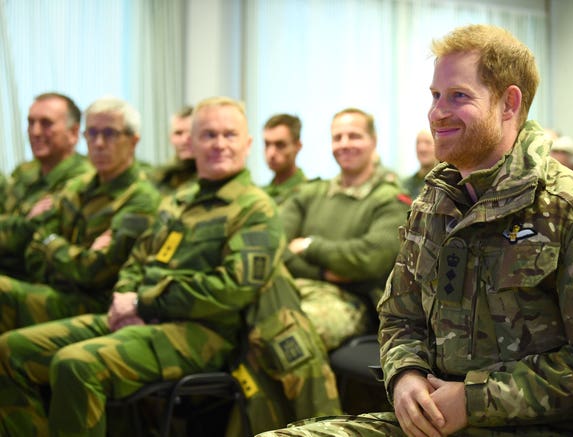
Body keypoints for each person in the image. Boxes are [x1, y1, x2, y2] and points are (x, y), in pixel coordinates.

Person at [258, 24, 573, 437]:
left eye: (458, 96)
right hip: (435, 423)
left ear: (508, 103)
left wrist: (474, 400)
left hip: (543, 426)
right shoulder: (435, 203)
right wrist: (405, 375)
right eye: (435, 95)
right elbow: (398, 315)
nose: (437, 112)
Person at [0, 96, 340, 436]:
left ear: (247, 143)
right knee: (10, 351)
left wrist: (144, 301)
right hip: (139, 317)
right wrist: (125, 297)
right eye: (208, 135)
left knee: (75, 365)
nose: (219, 144)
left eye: (229, 135)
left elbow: (232, 288)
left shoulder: (255, 208)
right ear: (191, 143)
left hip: (202, 333)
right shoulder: (178, 200)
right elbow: (137, 260)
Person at [0, 96, 161, 334]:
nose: (98, 143)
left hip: (94, 304)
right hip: (55, 290)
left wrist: (51, 244)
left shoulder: (139, 197)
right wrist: (64, 251)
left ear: (133, 141)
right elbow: (34, 249)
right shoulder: (77, 187)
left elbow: (93, 272)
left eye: (110, 134)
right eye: (92, 133)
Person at [280, 107, 411, 352]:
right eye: (337, 137)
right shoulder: (309, 194)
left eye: (354, 136)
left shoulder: (390, 201)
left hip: (352, 302)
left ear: (373, 142)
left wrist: (309, 246)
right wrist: (325, 272)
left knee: (289, 340)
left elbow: (367, 259)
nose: (344, 144)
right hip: (294, 288)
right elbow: (275, 246)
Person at [2, 92, 93, 215]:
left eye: (46, 123)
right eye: (31, 123)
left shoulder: (87, 178)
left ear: (73, 132)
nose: (35, 132)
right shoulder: (24, 170)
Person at [150, 105, 197, 195]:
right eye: (178, 133)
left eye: (192, 133)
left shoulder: (212, 175)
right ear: (170, 137)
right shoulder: (160, 176)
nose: (184, 140)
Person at [262, 113, 307, 205]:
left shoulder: (309, 194)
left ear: (297, 146)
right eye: (267, 144)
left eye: (280, 145)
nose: (271, 153)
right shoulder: (260, 195)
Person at [402, 129, 438, 199]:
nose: (422, 148)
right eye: (418, 143)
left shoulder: (444, 184)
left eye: (428, 143)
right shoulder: (405, 185)